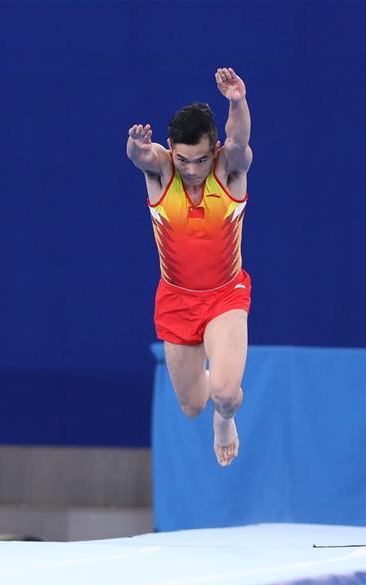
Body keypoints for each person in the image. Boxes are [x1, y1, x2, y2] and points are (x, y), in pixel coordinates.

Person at [127, 67, 253, 467]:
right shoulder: (162, 171)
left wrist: (237, 102)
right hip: (177, 300)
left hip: (225, 296)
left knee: (225, 395)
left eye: (200, 160)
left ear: (214, 150)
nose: (193, 170)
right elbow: (140, 157)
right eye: (183, 159)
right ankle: (212, 397)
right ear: (170, 149)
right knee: (192, 404)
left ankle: (225, 419)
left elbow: (239, 140)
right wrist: (135, 146)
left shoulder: (228, 169)